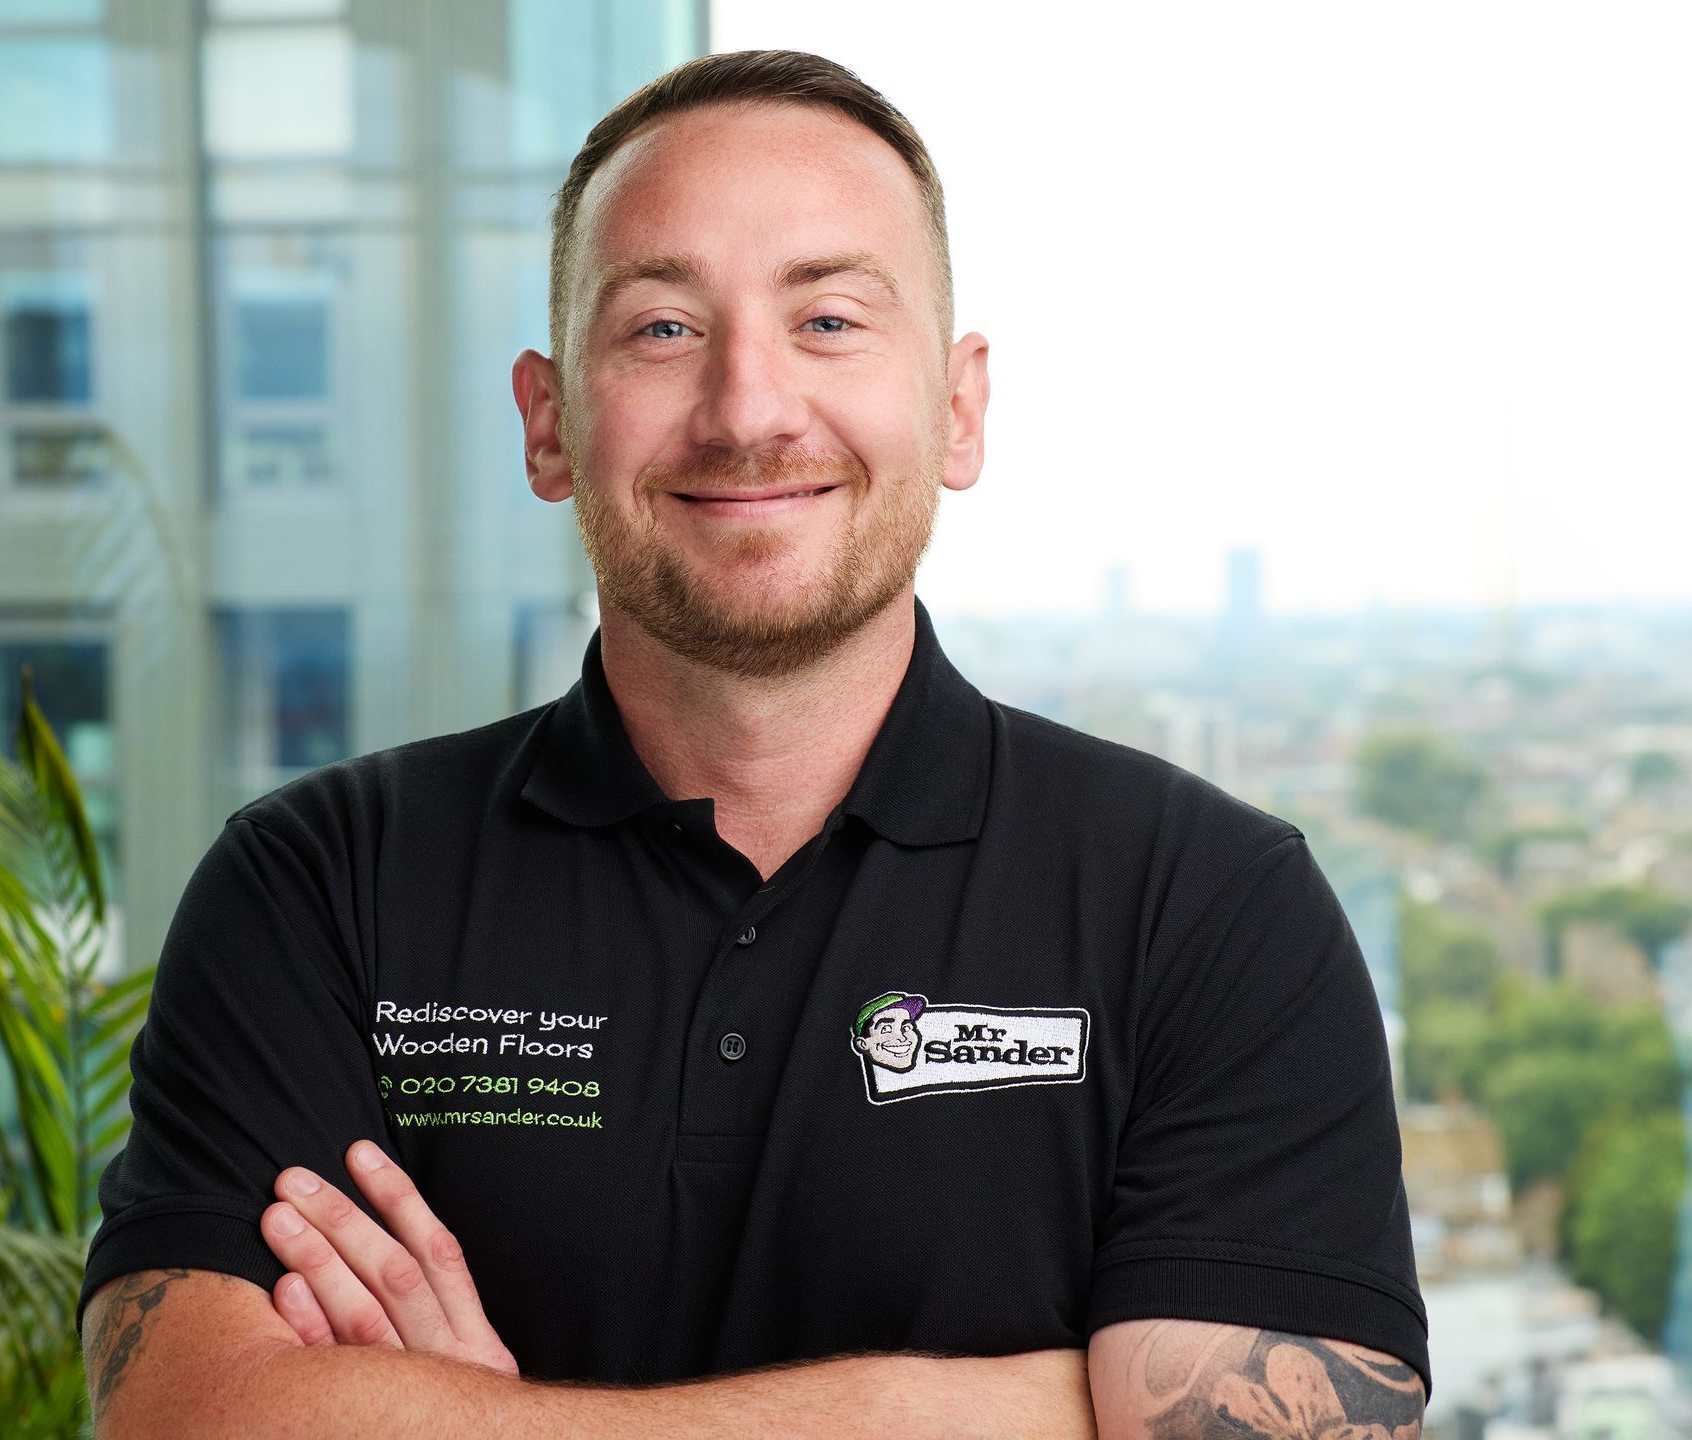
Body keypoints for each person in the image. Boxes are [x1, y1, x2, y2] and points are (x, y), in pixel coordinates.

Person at [79, 48, 1429, 1438]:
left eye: (830, 320)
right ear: (549, 423)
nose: (748, 409)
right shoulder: (319, 886)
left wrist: (479, 1418)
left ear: (959, 409)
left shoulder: (1209, 910)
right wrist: (1037, 1406)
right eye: (662, 329)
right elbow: (192, 1417)